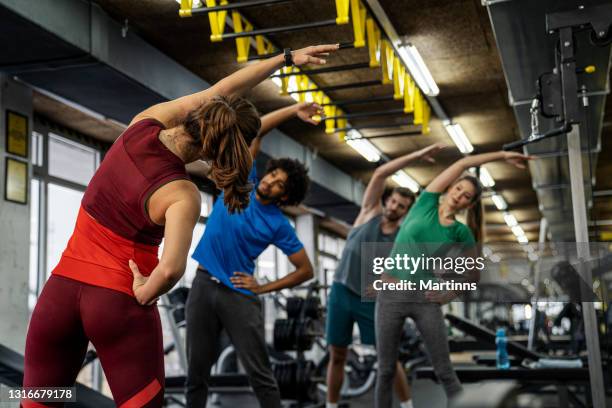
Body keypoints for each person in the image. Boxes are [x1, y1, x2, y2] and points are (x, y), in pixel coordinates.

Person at [22, 44, 338, 408]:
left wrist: (284, 59)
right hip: (117, 301)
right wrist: (143, 291)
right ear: (225, 151)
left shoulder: (143, 122)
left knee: (39, 401)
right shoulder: (181, 193)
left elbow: (221, 90)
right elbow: (171, 269)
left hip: (59, 293)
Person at [185, 101, 322, 408]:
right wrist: (293, 109)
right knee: (197, 371)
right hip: (203, 283)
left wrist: (262, 287)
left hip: (239, 294)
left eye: (280, 184)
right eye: (273, 175)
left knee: (259, 373)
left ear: (285, 195)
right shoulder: (242, 180)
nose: (271, 180)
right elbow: (257, 129)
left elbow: (305, 270)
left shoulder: (279, 225)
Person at [374, 150, 533, 408]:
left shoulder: (461, 232)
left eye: (466, 196)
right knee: (386, 370)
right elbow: (463, 162)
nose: (459, 195)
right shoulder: (424, 203)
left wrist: (449, 294)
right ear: (450, 188)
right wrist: (503, 155)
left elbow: (473, 274)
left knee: (445, 371)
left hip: (425, 298)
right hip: (390, 294)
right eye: (458, 189)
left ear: (468, 205)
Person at [325, 143, 443, 408]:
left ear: (406, 212)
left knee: (387, 357)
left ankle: (407, 405)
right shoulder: (367, 213)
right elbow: (379, 174)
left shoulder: (402, 240)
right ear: (386, 200)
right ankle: (330, 406)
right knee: (337, 354)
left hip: (370, 301)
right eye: (392, 201)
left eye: (401, 206)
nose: (394, 207)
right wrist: (415, 154)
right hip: (341, 292)